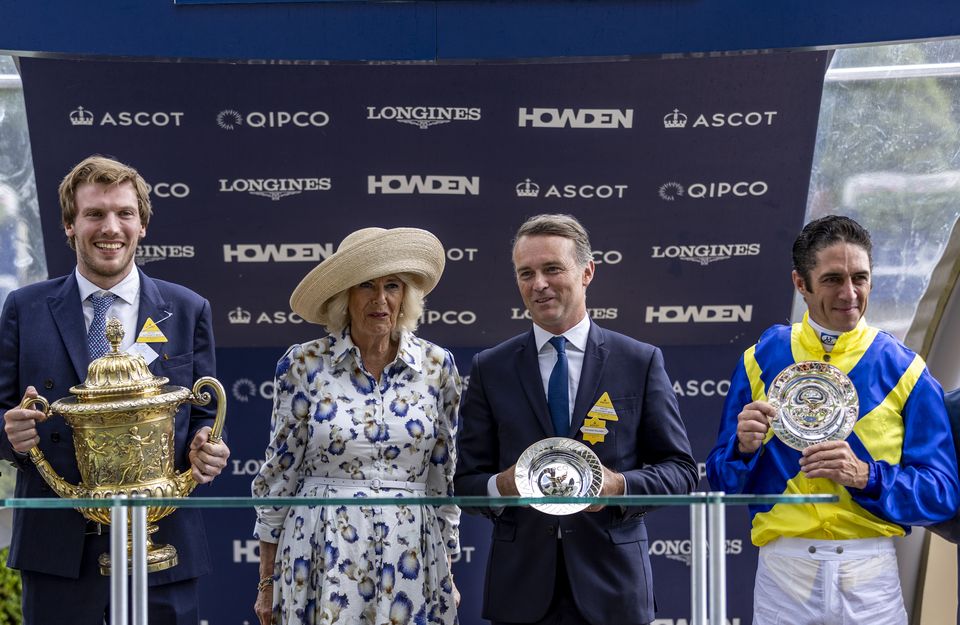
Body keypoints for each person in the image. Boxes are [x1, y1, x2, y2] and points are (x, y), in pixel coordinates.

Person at [0, 155, 231, 624]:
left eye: (124, 213)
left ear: (142, 224)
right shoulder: (25, 308)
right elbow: (0, 415)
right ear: (69, 224)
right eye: (95, 214)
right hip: (57, 552)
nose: (111, 227)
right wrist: (12, 434)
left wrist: (207, 448)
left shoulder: (186, 309)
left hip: (163, 546)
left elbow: (204, 419)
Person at [706, 215, 960, 625]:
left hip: (869, 574)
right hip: (783, 573)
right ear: (800, 284)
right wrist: (742, 448)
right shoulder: (760, 359)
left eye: (860, 277)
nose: (850, 293)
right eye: (832, 279)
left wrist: (866, 476)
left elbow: (943, 493)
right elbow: (721, 478)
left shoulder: (906, 368)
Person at [454, 213, 698, 625]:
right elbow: (465, 483)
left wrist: (619, 486)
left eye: (552, 269)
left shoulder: (638, 361)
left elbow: (681, 472)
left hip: (614, 590)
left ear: (587, 272)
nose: (538, 284)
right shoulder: (489, 368)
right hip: (521, 592)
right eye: (525, 273)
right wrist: (501, 485)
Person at [251, 227, 461, 625]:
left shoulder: (437, 367)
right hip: (321, 549)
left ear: (406, 297)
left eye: (392, 286)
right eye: (366, 285)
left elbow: (442, 475)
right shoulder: (304, 364)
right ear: (344, 297)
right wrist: (266, 581)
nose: (380, 299)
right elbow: (278, 474)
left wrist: (447, 569)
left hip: (411, 554)